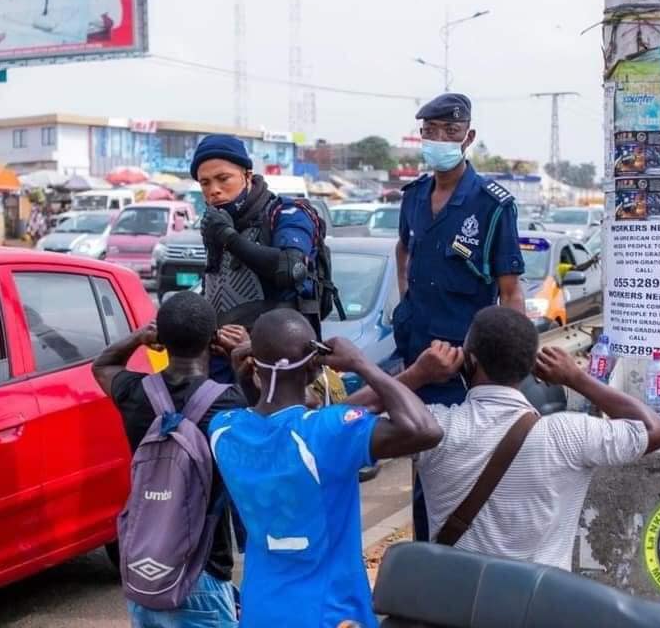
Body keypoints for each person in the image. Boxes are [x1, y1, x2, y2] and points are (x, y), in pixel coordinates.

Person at [355, 306, 660, 571]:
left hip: (457, 611)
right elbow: (658, 430)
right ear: (531, 367)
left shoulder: (437, 428)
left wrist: (417, 374)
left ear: (469, 362)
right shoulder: (568, 435)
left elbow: (335, 423)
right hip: (540, 608)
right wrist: (578, 378)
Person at [209, 308, 443, 627]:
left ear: (254, 366)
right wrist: (361, 363)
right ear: (314, 368)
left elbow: (269, 424)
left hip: (261, 610)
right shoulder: (324, 434)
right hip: (329, 612)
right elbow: (424, 429)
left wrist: (249, 383)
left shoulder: (223, 430)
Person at [395, 92, 526, 540]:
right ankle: (423, 563)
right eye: (430, 132)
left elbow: (510, 292)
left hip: (464, 368)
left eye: (450, 132)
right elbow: (404, 250)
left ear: (467, 137)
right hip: (418, 359)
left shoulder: (492, 205)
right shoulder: (413, 197)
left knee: (462, 473)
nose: (439, 140)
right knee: (420, 468)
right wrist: (403, 303)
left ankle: (457, 569)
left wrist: (511, 367)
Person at [91, 292, 245, 627]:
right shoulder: (229, 403)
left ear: (160, 337)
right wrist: (243, 354)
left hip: (145, 568)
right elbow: (280, 400)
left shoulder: (135, 393)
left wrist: (139, 337)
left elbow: (102, 365)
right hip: (201, 570)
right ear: (213, 338)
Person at [193, 134, 333, 339]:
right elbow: (215, 288)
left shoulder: (286, 212)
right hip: (220, 353)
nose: (214, 190)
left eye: (223, 179)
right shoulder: (217, 223)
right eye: (205, 183)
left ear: (247, 176)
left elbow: (293, 269)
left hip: (278, 354)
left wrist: (228, 237)